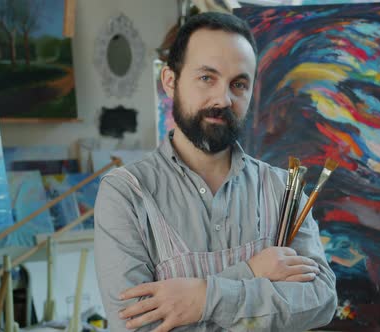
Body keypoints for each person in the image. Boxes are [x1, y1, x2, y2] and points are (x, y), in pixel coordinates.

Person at [94, 12, 337, 332]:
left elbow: (320, 301)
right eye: (207, 77)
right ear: (171, 82)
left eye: (238, 84)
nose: (223, 99)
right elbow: (137, 326)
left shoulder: (283, 190)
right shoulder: (125, 194)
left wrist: (203, 298)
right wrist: (251, 273)